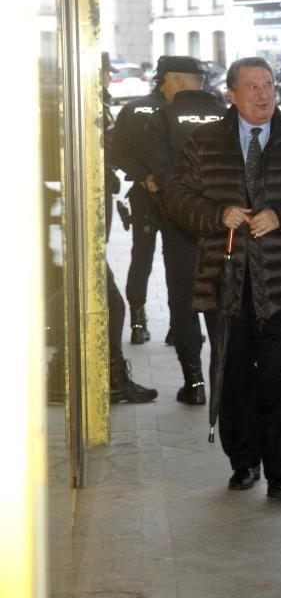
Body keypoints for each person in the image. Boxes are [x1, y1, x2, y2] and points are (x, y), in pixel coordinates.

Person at [165, 57, 281, 499]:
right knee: (233, 373)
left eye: (269, 86)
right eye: (253, 87)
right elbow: (177, 198)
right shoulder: (204, 142)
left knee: (278, 376)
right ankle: (243, 462)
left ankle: (280, 472)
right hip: (222, 281)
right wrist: (218, 215)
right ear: (232, 94)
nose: (263, 94)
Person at [144, 55, 226, 405]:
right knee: (224, 300)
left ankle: (193, 382)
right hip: (226, 226)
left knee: (184, 300)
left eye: (166, 80)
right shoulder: (229, 115)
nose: (162, 86)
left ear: (178, 80)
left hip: (180, 226)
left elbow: (163, 175)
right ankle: (225, 379)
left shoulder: (161, 117)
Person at [101, 52, 158, 403]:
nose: (109, 76)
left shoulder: (107, 106)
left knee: (114, 299)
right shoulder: (93, 105)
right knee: (111, 304)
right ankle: (111, 379)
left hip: (101, 205)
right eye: (106, 71)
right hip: (83, 216)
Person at [108, 60, 168, 346]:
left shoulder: (132, 109)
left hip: (144, 195)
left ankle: (136, 321)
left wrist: (143, 176)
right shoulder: (182, 111)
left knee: (141, 256)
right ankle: (180, 323)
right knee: (180, 261)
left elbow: (116, 152)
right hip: (180, 199)